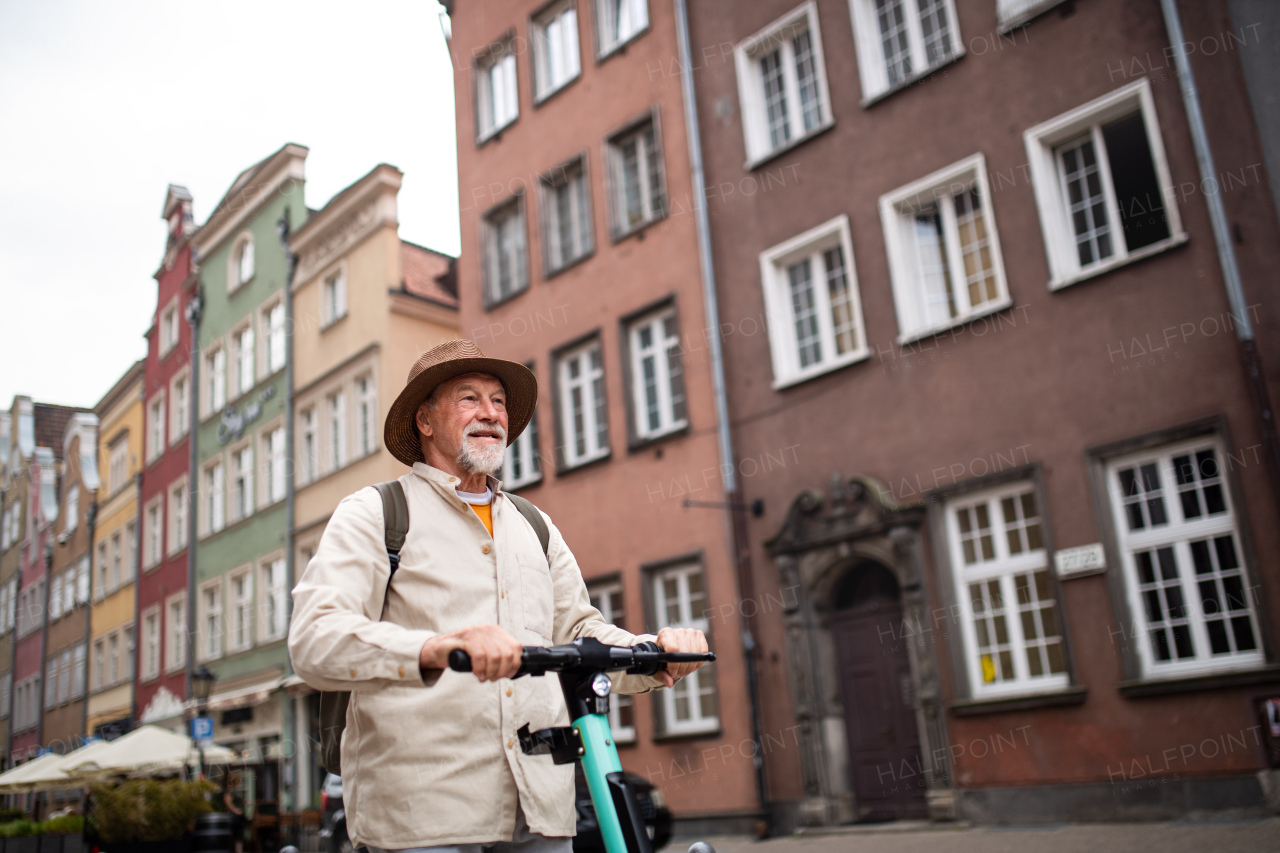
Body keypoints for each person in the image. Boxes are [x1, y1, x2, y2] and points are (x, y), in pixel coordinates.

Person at [289, 339, 709, 853]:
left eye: (499, 401)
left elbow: (578, 632)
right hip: (423, 818)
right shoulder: (377, 513)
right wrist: (435, 649)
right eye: (469, 399)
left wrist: (655, 653)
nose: (490, 413)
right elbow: (315, 638)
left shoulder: (534, 525)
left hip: (540, 814)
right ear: (424, 420)